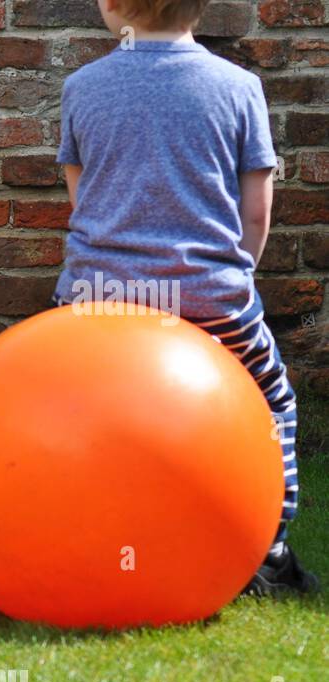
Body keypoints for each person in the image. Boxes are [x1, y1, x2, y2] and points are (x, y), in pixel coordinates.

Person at [55, 0, 317, 595]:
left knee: (90, 422)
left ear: (114, 5)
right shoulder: (240, 86)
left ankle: (88, 535)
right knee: (272, 407)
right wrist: (228, 277)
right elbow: (256, 211)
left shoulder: (82, 86)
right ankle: (269, 550)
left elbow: (83, 203)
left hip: (95, 304)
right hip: (210, 300)